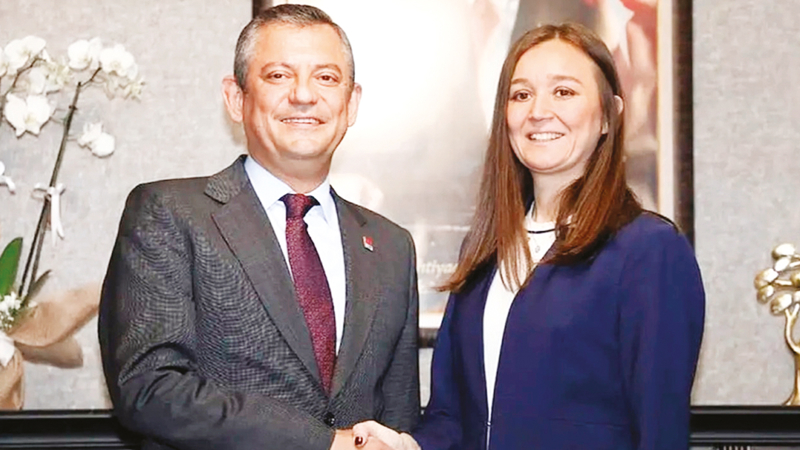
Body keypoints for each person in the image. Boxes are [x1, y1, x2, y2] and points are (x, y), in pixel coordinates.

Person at [353, 22, 704, 450]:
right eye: (521, 95)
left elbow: (660, 431)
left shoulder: (649, 249)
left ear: (608, 115)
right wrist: (407, 446)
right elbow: (452, 418)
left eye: (564, 92)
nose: (538, 111)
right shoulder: (485, 251)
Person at [98, 5, 419, 450]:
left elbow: (398, 418)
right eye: (278, 75)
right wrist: (325, 443)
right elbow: (150, 388)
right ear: (236, 98)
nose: (303, 95)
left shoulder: (391, 246)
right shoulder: (168, 213)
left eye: (326, 77)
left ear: (351, 103)